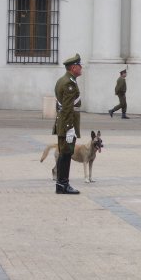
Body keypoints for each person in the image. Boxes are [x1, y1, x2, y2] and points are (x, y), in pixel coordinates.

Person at [53, 53, 83, 194]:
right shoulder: (69, 83)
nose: (81, 67)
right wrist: (69, 128)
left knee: (64, 153)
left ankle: (61, 184)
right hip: (67, 124)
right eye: (79, 65)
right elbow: (67, 108)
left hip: (63, 123)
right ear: (73, 67)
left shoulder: (63, 80)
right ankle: (63, 184)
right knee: (66, 154)